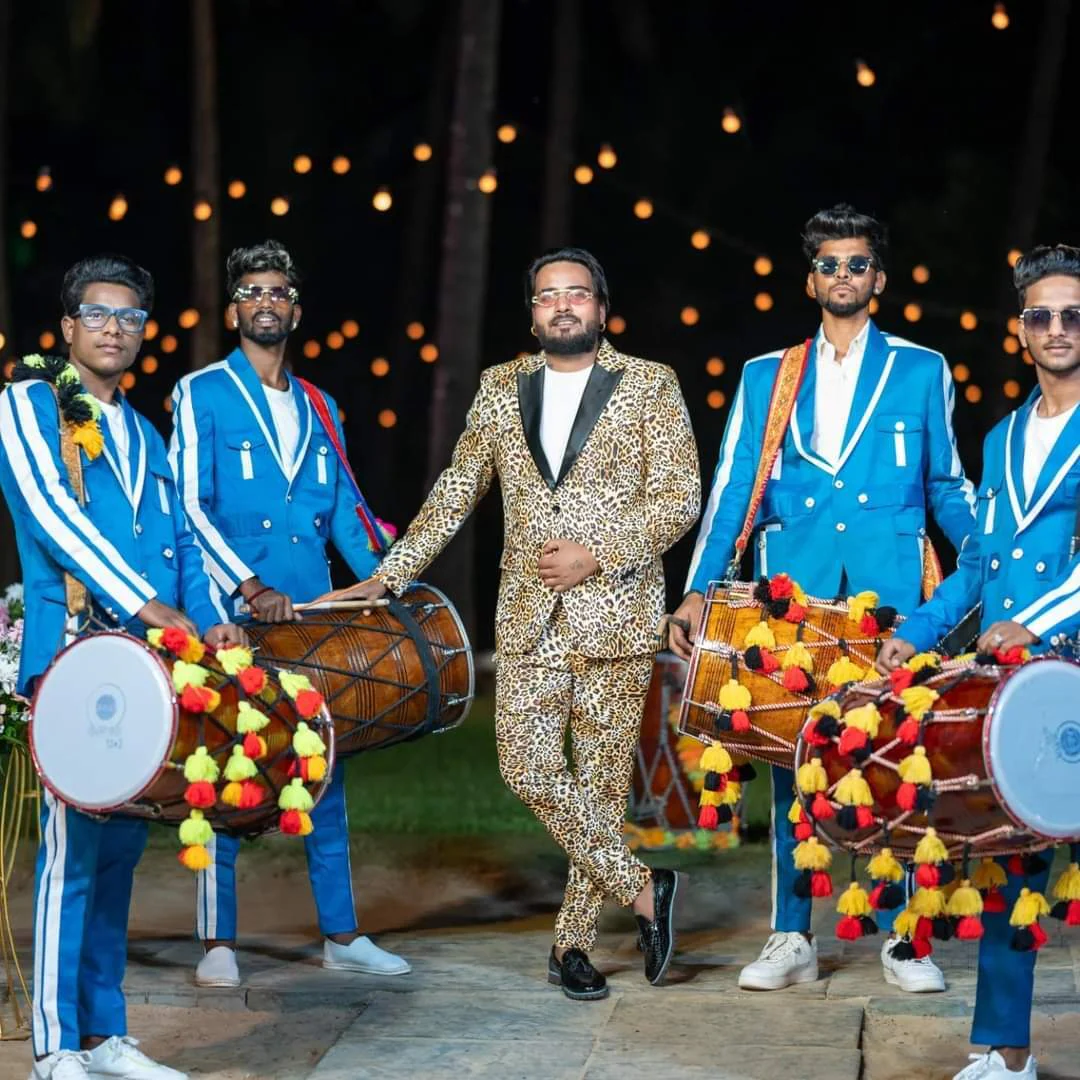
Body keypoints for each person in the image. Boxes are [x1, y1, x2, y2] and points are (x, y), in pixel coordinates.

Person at [335, 247, 700, 999]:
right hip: (530, 617)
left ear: (602, 307)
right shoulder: (501, 386)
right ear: (532, 314)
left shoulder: (651, 383)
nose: (562, 305)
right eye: (547, 296)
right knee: (526, 767)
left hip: (617, 614)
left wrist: (597, 553)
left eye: (576, 293)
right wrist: (391, 573)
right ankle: (643, 887)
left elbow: (679, 498)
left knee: (599, 791)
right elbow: (458, 487)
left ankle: (572, 946)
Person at [669, 204, 976, 993]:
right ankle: (791, 935)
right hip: (792, 598)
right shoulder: (767, 376)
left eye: (857, 263)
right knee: (790, 760)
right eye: (830, 264)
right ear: (811, 281)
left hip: (892, 600)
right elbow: (733, 490)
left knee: (894, 758)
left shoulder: (922, 369)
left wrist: (989, 559)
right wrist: (699, 589)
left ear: (878, 278)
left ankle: (903, 939)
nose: (843, 275)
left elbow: (946, 484)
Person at [0, 254, 245, 1080]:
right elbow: (49, 513)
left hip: (147, 674)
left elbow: (182, 544)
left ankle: (106, 1034)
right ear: (68, 326)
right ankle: (54, 1045)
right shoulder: (29, 402)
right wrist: (144, 603)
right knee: (71, 857)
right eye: (99, 314)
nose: (116, 328)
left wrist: (211, 617)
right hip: (74, 660)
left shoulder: (144, 434)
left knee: (119, 858)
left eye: (131, 316)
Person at [168, 240, 409, 987]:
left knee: (323, 765)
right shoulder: (200, 392)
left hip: (309, 615)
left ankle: (341, 933)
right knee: (226, 764)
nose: (264, 302)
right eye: (251, 291)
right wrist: (245, 586)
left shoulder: (322, 407)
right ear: (234, 310)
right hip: (231, 613)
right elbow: (187, 507)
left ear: (295, 311)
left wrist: (386, 577)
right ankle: (217, 943)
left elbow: (344, 511)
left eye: (277, 291)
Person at [877, 244, 1080, 1080]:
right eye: (1042, 316)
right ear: (1021, 331)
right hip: (1016, 691)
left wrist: (1035, 623)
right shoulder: (1001, 438)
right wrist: (920, 633)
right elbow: (979, 564)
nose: (1058, 328)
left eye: (1073, 314)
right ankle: (1004, 1051)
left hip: (1068, 665)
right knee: (1008, 861)